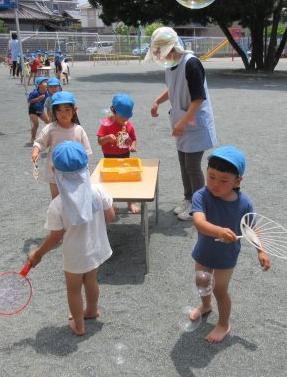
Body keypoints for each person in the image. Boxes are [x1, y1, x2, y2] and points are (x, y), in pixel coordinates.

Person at [27, 141, 115, 336]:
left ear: (53, 169)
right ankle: (92, 310)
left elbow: (56, 237)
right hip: (96, 247)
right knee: (91, 280)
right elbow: (111, 216)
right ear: (86, 166)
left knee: (73, 289)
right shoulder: (98, 190)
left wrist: (38, 253)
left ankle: (79, 325)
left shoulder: (58, 205)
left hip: (75, 255)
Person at [188, 146, 270, 343]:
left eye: (224, 180)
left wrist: (261, 250)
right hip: (204, 251)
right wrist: (218, 231)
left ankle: (224, 324)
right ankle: (206, 305)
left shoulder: (244, 203)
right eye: (211, 176)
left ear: (237, 181)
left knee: (219, 289)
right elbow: (199, 222)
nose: (215, 184)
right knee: (201, 281)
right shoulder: (201, 195)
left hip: (227, 256)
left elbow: (252, 228)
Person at [147, 26, 218, 221]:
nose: (159, 54)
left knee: (193, 167)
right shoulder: (172, 64)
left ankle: (199, 205)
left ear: (170, 46)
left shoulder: (192, 63)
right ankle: (188, 198)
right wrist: (157, 102)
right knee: (183, 164)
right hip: (182, 123)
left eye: (160, 50)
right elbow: (172, 89)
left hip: (194, 124)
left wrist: (182, 123)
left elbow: (198, 98)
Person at [31, 91, 92, 199]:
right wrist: (36, 150)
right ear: (54, 112)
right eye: (59, 110)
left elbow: (86, 152)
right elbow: (40, 142)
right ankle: (58, 215)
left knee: (76, 198)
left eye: (67, 110)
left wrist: (85, 170)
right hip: (55, 171)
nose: (63, 113)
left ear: (74, 110)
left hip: (75, 172)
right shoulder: (50, 128)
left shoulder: (79, 130)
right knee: (56, 199)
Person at [97, 93, 139, 214]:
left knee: (127, 179)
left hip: (124, 155)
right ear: (113, 111)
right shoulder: (106, 124)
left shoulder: (128, 125)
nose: (125, 121)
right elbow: (100, 141)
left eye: (127, 118)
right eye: (122, 118)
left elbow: (134, 138)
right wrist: (107, 138)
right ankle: (110, 204)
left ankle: (130, 202)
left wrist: (132, 145)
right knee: (110, 181)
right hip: (109, 158)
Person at [27, 76, 50, 143]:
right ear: (39, 85)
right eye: (45, 82)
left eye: (47, 82)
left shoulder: (47, 93)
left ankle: (48, 136)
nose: (47, 83)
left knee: (48, 122)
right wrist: (38, 99)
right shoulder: (35, 92)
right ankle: (33, 137)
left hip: (40, 110)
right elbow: (29, 101)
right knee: (36, 124)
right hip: (33, 110)